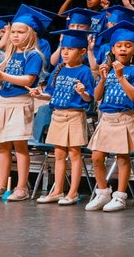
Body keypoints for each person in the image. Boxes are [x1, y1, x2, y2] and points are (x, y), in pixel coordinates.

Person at [0, 4, 50, 201]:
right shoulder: (10, 55)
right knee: (3, 146)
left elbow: (28, 80)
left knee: (20, 146)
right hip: (4, 102)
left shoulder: (34, 55)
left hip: (20, 103)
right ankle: (1, 185)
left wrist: (3, 75)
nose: (15, 36)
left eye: (20, 32)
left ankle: (21, 187)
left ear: (31, 34)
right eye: (13, 32)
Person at [86, 21, 134, 213]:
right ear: (112, 49)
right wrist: (104, 79)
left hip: (124, 117)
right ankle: (103, 191)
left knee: (122, 158)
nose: (123, 49)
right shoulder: (107, 70)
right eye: (119, 46)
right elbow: (96, 97)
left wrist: (121, 77)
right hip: (106, 118)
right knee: (96, 157)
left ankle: (120, 196)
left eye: (128, 46)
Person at [36, 29, 95, 205]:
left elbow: (89, 98)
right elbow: (50, 94)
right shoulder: (58, 70)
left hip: (75, 115)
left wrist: (83, 93)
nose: (66, 52)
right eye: (63, 49)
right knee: (59, 154)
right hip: (58, 115)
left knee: (74, 154)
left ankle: (73, 192)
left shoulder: (84, 71)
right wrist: (39, 95)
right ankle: (57, 190)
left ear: (82, 51)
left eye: (70, 49)